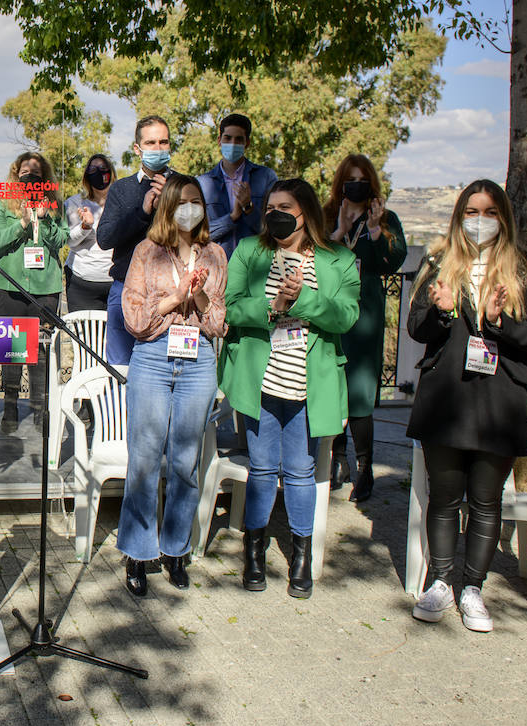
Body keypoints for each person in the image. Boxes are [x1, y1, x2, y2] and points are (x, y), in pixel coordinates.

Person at [406, 179, 527, 633]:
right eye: (471, 211)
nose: (479, 220)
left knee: (486, 502)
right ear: (458, 215)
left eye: (489, 212)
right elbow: (416, 328)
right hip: (446, 399)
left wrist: (498, 321)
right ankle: (441, 582)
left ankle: (473, 588)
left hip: (497, 402)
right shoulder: (438, 263)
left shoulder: (526, 272)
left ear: (503, 218)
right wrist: (444, 311)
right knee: (445, 498)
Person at [219, 178, 358, 600]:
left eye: (286, 207)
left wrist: (303, 301)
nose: (275, 214)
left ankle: (301, 557)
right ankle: (255, 551)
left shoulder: (339, 260)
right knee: (261, 469)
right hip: (260, 381)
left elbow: (347, 315)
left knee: (299, 471)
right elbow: (229, 305)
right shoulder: (249, 251)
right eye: (270, 206)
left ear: (306, 213)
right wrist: (272, 306)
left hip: (307, 384)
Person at [118, 174, 227, 596]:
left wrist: (197, 297)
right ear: (167, 206)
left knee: (185, 462)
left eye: (196, 201)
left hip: (198, 360)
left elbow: (217, 324)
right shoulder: (147, 252)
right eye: (181, 201)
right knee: (145, 459)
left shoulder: (216, 255)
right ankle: (137, 552)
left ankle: (175, 549)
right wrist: (175, 295)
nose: (190, 208)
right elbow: (136, 320)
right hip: (153, 358)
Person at [322, 155, 407, 501]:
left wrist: (373, 231)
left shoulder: (386, 218)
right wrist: (340, 230)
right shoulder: (328, 214)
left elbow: (392, 260)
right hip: (330, 314)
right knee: (332, 388)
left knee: (359, 394)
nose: (356, 184)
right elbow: (314, 256)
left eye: (362, 179)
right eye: (350, 178)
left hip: (365, 318)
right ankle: (336, 460)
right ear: (342, 181)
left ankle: (365, 467)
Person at [0, 152, 68, 434]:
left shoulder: (56, 204)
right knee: (12, 349)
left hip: (45, 286)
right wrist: (22, 223)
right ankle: (10, 409)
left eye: (36, 170)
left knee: (38, 349)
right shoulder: (5, 202)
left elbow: (61, 240)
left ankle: (38, 409)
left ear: (44, 177)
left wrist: (44, 220)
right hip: (8, 285)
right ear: (16, 173)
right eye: (25, 170)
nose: (30, 174)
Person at [96, 115, 181, 365]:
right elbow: (105, 238)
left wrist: (172, 202)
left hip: (171, 293)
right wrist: (142, 212)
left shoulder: (184, 186)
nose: (158, 149)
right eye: (151, 142)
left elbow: (198, 235)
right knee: (120, 367)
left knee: (168, 368)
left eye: (163, 142)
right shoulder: (122, 189)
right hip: (126, 289)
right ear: (138, 148)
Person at [198, 113, 278, 259]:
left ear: (247, 143)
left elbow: (274, 231)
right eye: (227, 138)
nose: (232, 144)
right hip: (216, 267)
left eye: (238, 139)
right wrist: (232, 218)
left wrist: (249, 208)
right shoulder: (203, 183)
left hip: (256, 265)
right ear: (219, 141)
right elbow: (198, 235)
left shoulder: (266, 177)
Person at [65, 153, 118, 312]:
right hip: (82, 282)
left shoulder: (122, 203)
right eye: (93, 169)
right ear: (87, 176)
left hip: (116, 282)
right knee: (84, 335)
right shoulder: (75, 203)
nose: (99, 173)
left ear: (111, 172)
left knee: (113, 336)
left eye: (103, 168)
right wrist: (85, 227)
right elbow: (69, 241)